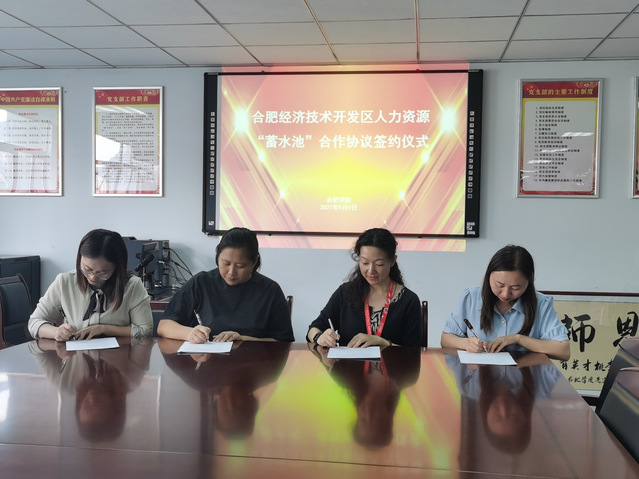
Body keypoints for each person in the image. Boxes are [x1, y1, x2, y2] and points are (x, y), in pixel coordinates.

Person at [157, 227, 294, 343]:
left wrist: (244, 339)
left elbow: (284, 342)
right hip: (207, 362)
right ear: (217, 257)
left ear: (254, 262)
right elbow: (164, 326)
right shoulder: (201, 282)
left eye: (240, 266)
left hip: (253, 363)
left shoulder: (270, 290)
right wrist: (190, 333)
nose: (231, 272)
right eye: (226, 263)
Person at [441, 244, 570, 360]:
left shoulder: (541, 304)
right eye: (500, 285)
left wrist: (517, 339)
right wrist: (466, 343)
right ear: (488, 276)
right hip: (477, 375)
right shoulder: (471, 298)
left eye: (515, 288)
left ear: (529, 282)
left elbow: (563, 351)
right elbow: (446, 339)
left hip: (524, 377)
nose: (505, 294)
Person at [28, 229, 153, 341]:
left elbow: (145, 330)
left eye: (103, 272)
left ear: (117, 267)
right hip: (75, 356)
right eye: (87, 269)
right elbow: (35, 322)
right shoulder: (65, 282)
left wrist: (103, 329)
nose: (93, 277)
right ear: (79, 259)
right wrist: (56, 332)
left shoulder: (132, 286)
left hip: (118, 357)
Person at [307, 228, 421, 348]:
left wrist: (384, 343)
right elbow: (313, 328)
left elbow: (414, 352)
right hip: (349, 361)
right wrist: (319, 337)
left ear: (392, 261)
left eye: (379, 264)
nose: (371, 271)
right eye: (365, 263)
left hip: (390, 361)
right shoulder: (345, 293)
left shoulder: (408, 301)